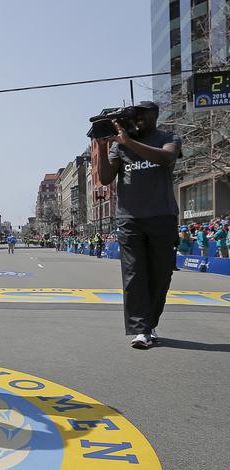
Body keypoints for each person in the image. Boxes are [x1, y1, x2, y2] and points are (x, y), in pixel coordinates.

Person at [95, 101, 181, 350]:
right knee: (133, 274)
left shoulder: (168, 137)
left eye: (141, 115)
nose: (137, 120)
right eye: (134, 116)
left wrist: (128, 143)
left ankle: (150, 324)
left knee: (161, 273)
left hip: (162, 215)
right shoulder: (119, 145)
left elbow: (166, 158)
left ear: (154, 115)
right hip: (129, 218)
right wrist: (103, 147)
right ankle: (141, 329)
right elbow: (106, 177)